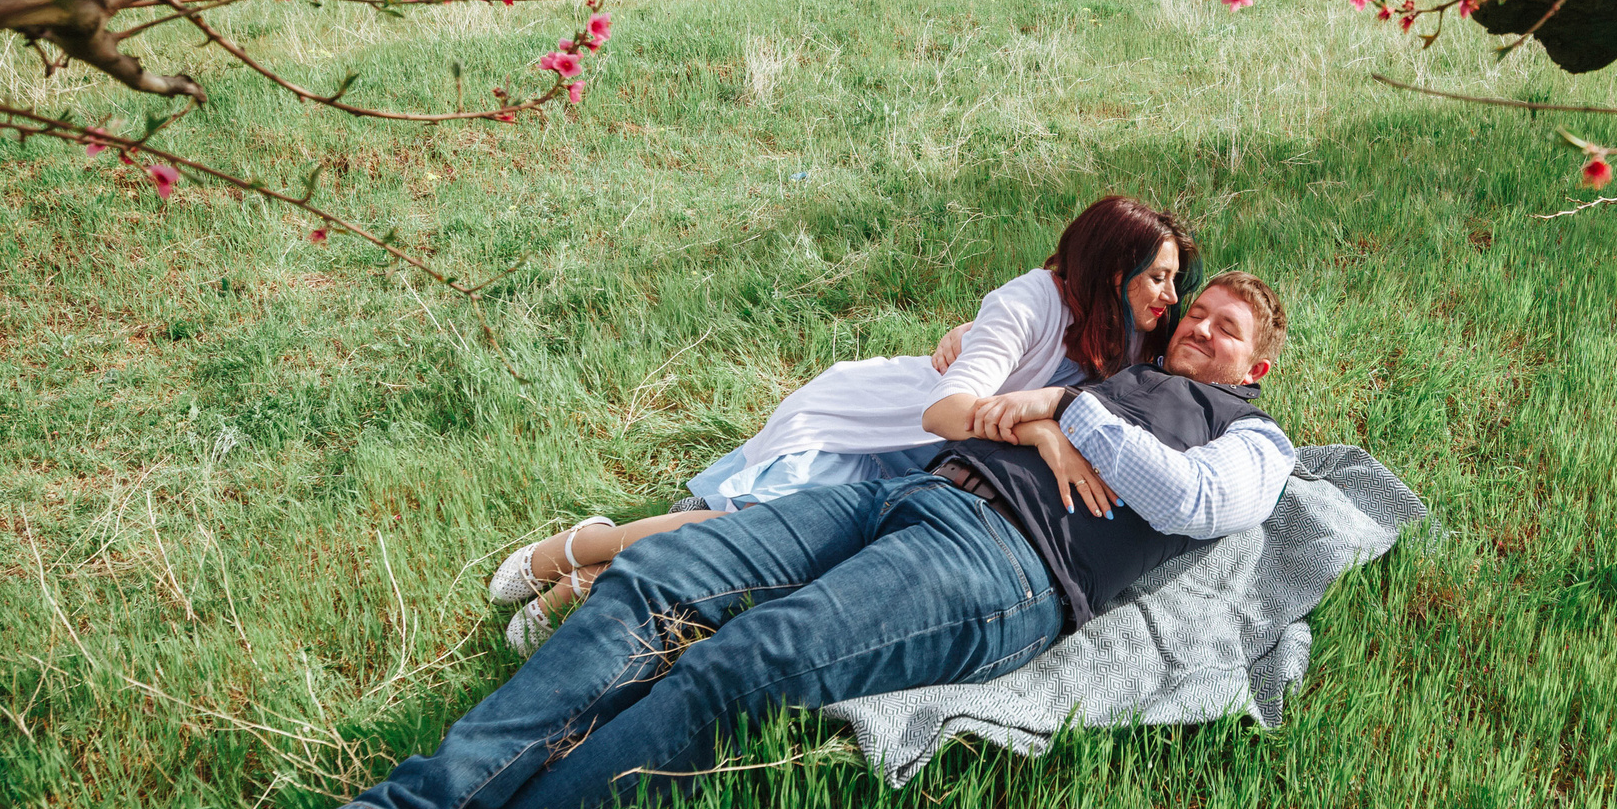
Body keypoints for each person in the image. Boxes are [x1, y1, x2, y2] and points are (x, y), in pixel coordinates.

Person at [111, 273, 1295, 809]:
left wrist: (1064, 415)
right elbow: (995, 360)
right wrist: (1040, 404)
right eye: (1198, 311)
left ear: (1261, 363)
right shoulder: (1110, 371)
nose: (1200, 326)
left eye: (1229, 325)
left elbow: (1183, 502)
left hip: (1005, 564)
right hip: (907, 491)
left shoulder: (1251, 441)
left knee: (746, 662)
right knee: (656, 583)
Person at [486, 195, 1201, 633]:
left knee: (774, 563)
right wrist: (1039, 424)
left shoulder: (1132, 334)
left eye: (1176, 280)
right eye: (1159, 276)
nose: (1170, 294)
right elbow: (944, 408)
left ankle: (587, 584)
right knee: (740, 527)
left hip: (923, 475)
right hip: (876, 427)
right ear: (1114, 270)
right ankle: (574, 551)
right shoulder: (1032, 300)